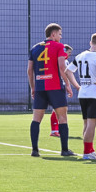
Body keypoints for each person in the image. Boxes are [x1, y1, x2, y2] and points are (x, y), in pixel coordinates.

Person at [27, 23, 75, 157]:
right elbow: (62, 67)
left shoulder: (35, 48)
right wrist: (68, 84)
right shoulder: (59, 46)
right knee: (62, 117)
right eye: (60, 34)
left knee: (36, 118)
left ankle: (34, 150)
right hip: (55, 87)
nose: (61, 37)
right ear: (53, 34)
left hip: (40, 87)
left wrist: (33, 87)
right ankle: (64, 150)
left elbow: (29, 70)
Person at [74, 33, 96, 160]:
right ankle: (87, 152)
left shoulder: (80, 56)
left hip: (83, 93)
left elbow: (68, 71)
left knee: (86, 123)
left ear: (90, 42)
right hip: (94, 93)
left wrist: (77, 86)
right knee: (92, 124)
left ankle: (90, 149)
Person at [50, 44, 80, 137]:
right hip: (58, 86)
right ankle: (55, 130)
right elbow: (64, 73)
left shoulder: (59, 60)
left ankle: (56, 130)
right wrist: (68, 85)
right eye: (69, 52)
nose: (70, 54)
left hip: (57, 86)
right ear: (64, 51)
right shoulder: (63, 61)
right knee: (59, 109)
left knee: (57, 109)